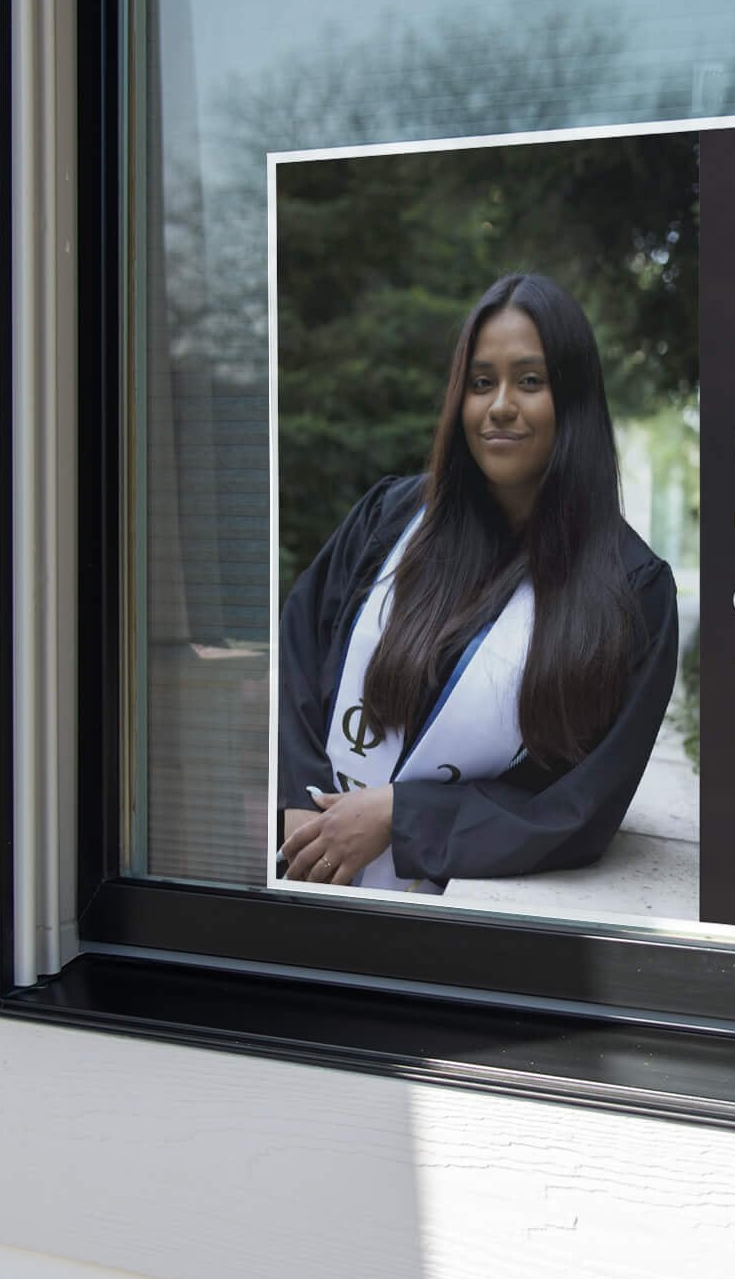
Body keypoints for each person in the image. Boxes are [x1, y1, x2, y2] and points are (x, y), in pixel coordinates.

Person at [275, 272, 679, 893]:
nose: (500, 406)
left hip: (457, 938)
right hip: (307, 882)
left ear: (573, 399)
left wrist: (401, 817)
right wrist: (298, 803)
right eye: (481, 382)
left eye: (531, 381)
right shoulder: (393, 518)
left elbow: (579, 807)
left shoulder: (631, 591)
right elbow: (295, 658)